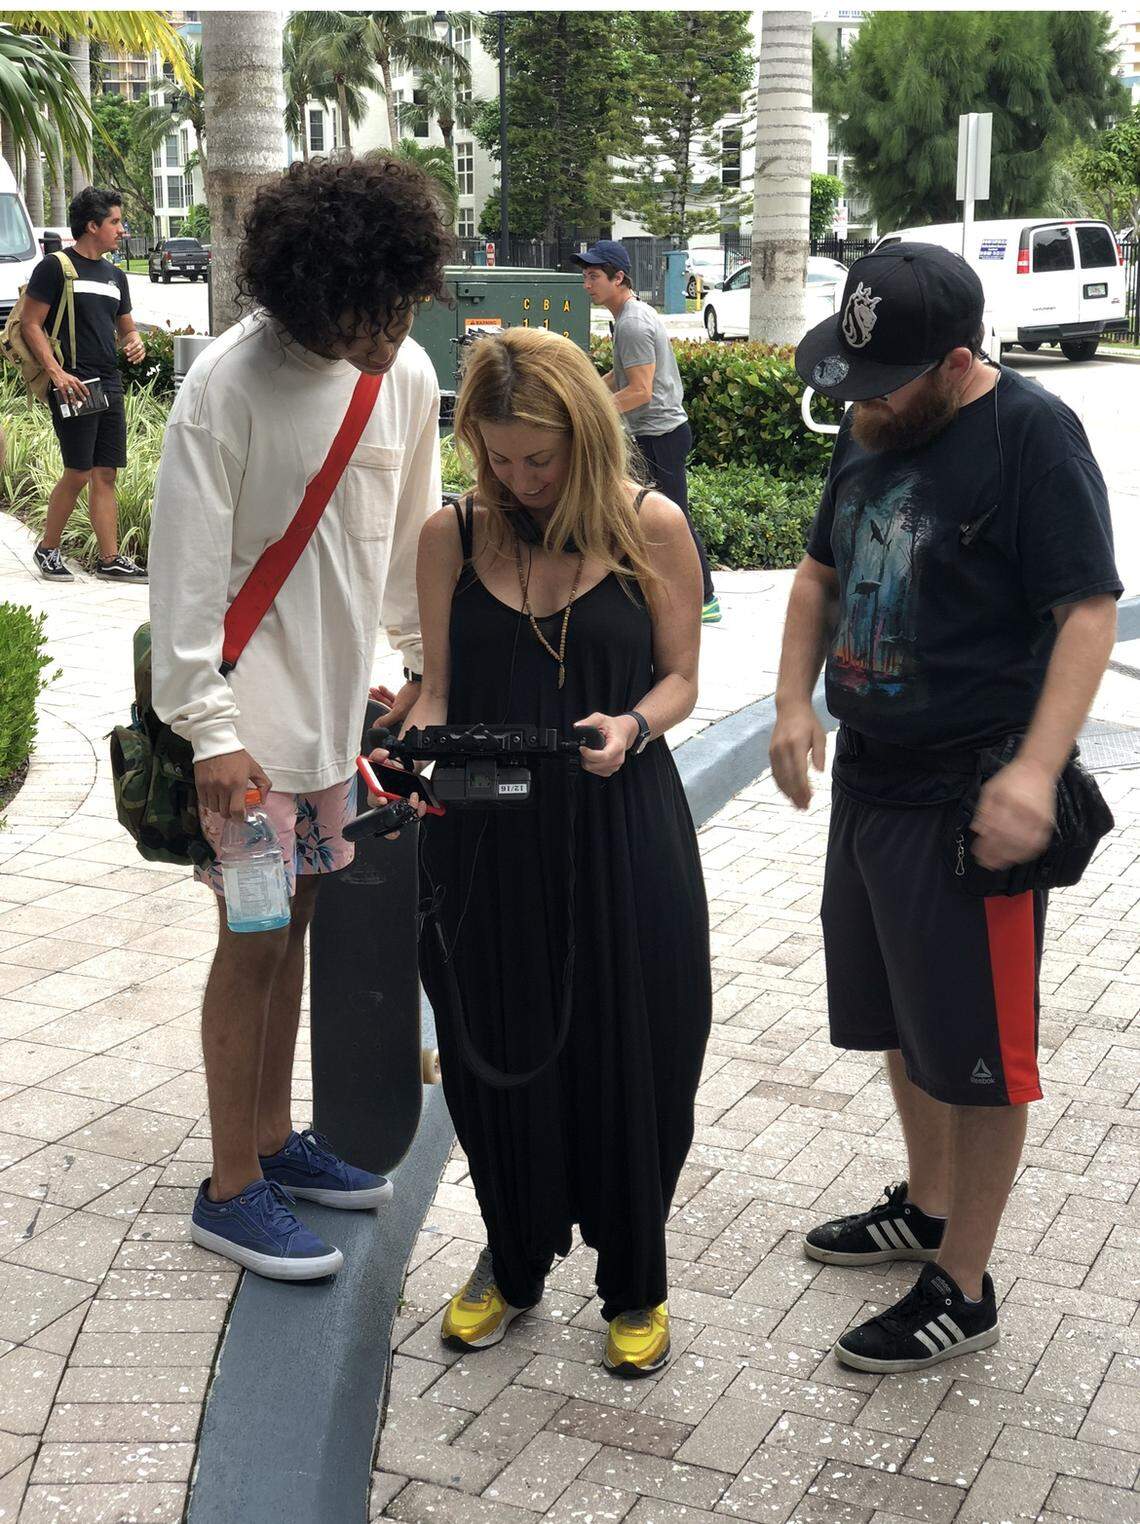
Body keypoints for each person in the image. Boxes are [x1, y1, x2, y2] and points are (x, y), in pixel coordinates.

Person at [770, 242, 1121, 1372]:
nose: (862, 401)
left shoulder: (1032, 435)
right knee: (901, 1023)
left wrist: (1033, 771)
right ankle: (925, 1207)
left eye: (886, 381)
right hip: (871, 778)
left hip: (971, 799)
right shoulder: (874, 421)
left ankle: (962, 1282)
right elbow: (822, 571)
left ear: (958, 359)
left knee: (978, 1052)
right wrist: (791, 702)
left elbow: (1086, 611)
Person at [384, 327, 711, 1376]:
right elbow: (437, 689)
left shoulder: (650, 525)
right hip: (487, 840)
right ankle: (514, 1256)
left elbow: (679, 680)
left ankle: (638, 1281)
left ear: (584, 435)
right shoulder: (451, 534)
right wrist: (405, 732)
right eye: (499, 459)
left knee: (636, 1055)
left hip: (621, 829)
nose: (520, 481)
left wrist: (635, 728)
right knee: (495, 1063)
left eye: (541, 458)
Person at [148, 157, 452, 1280]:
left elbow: (407, 533)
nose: (389, 330)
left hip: (338, 724)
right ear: (310, 290)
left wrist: (419, 664)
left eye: (404, 303)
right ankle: (230, 1188)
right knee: (253, 937)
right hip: (248, 733)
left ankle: (277, 1142)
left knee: (303, 924)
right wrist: (209, 732)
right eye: (369, 310)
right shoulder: (228, 384)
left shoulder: (406, 374)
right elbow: (181, 573)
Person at [572, 239, 720, 624]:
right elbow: (625, 376)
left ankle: (705, 598)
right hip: (656, 434)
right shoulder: (629, 315)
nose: (587, 284)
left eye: (594, 277)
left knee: (673, 518)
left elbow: (641, 390)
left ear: (618, 277)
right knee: (644, 515)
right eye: (585, 276)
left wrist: (593, 411)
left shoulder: (633, 323)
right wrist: (586, 389)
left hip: (660, 436)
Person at [21, 187, 147, 582]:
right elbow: (30, 323)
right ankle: (48, 548)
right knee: (78, 471)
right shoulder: (55, 267)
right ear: (92, 226)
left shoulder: (116, 275)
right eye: (114, 221)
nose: (120, 229)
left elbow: (126, 328)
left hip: (107, 382)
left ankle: (109, 560)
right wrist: (57, 373)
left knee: (105, 472)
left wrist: (135, 341)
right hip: (74, 383)